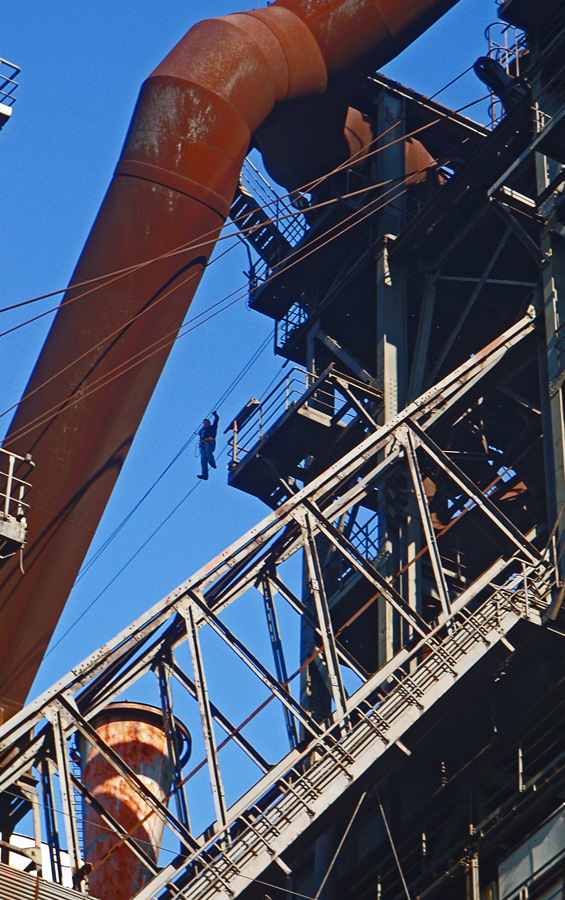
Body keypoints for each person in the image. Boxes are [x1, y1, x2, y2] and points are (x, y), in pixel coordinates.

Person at [198, 411, 219, 480]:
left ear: (209, 423)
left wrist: (215, 415)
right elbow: (200, 434)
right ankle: (205, 475)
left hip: (210, 442)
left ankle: (212, 461)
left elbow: (216, 420)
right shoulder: (203, 431)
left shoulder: (212, 428)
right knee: (203, 460)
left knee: (208, 452)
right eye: (204, 423)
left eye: (206, 422)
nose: (205, 424)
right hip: (203, 445)